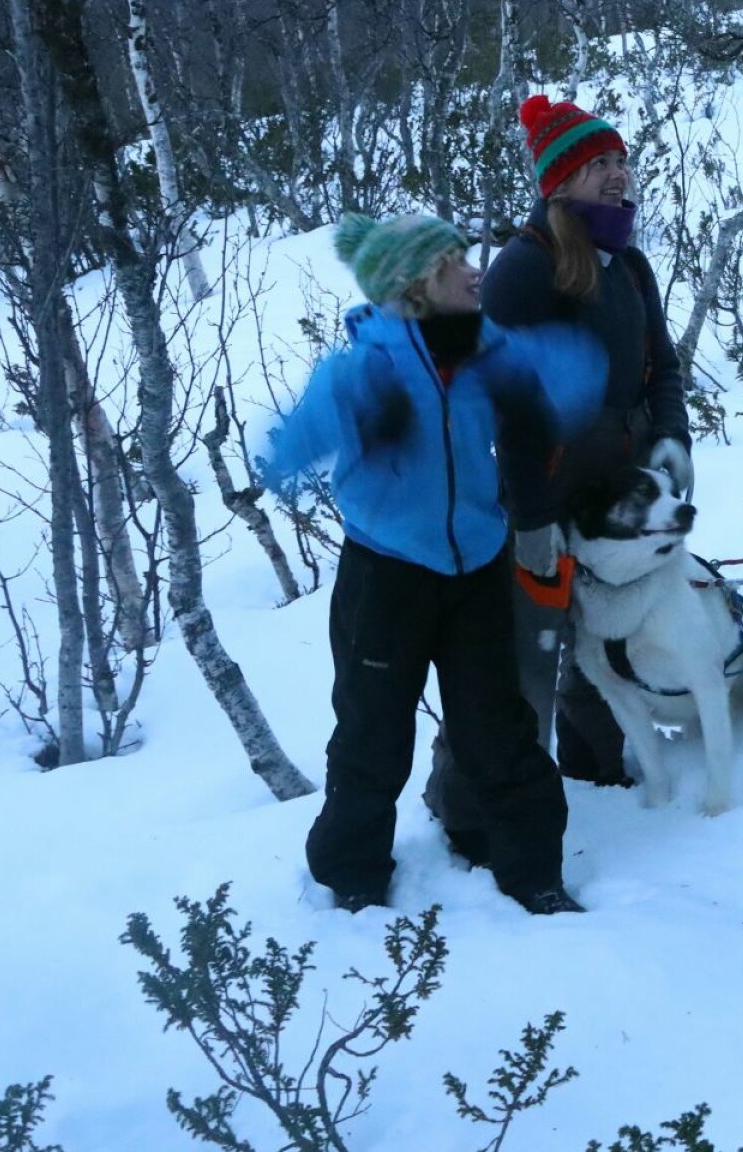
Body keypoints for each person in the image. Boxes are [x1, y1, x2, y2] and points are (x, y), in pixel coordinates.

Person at [258, 210, 606, 916]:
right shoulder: (365, 366)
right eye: (454, 264)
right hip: (386, 577)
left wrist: (521, 376)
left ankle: (529, 871)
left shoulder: (484, 351)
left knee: (498, 727)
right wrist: (354, 413)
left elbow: (580, 373)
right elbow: (278, 458)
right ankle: (351, 877)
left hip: (477, 567)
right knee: (372, 734)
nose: (475, 271)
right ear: (416, 284)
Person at [427, 93, 692, 804]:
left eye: (618, 161)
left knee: (610, 637)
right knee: (526, 654)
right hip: (546, 490)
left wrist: (671, 436)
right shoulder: (525, 269)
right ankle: (468, 803)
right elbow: (511, 408)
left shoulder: (627, 264)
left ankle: (596, 767)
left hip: (621, 488)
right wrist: (534, 522)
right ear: (559, 180)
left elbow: (660, 363)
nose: (615, 175)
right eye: (596, 164)